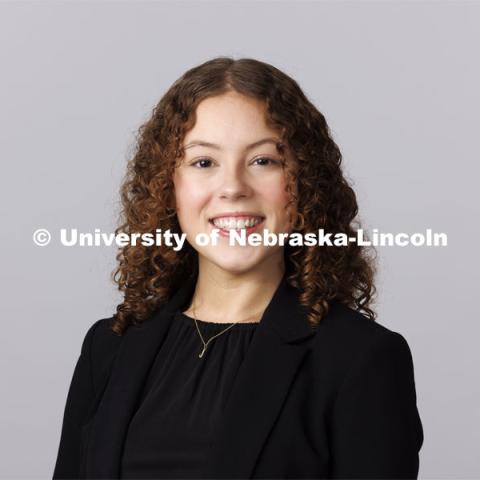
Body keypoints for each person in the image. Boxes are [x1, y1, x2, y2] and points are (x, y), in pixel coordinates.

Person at [52, 57, 424, 479]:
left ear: (305, 183)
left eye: (264, 160)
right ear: (168, 185)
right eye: (203, 162)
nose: (232, 188)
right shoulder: (109, 347)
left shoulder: (361, 359)